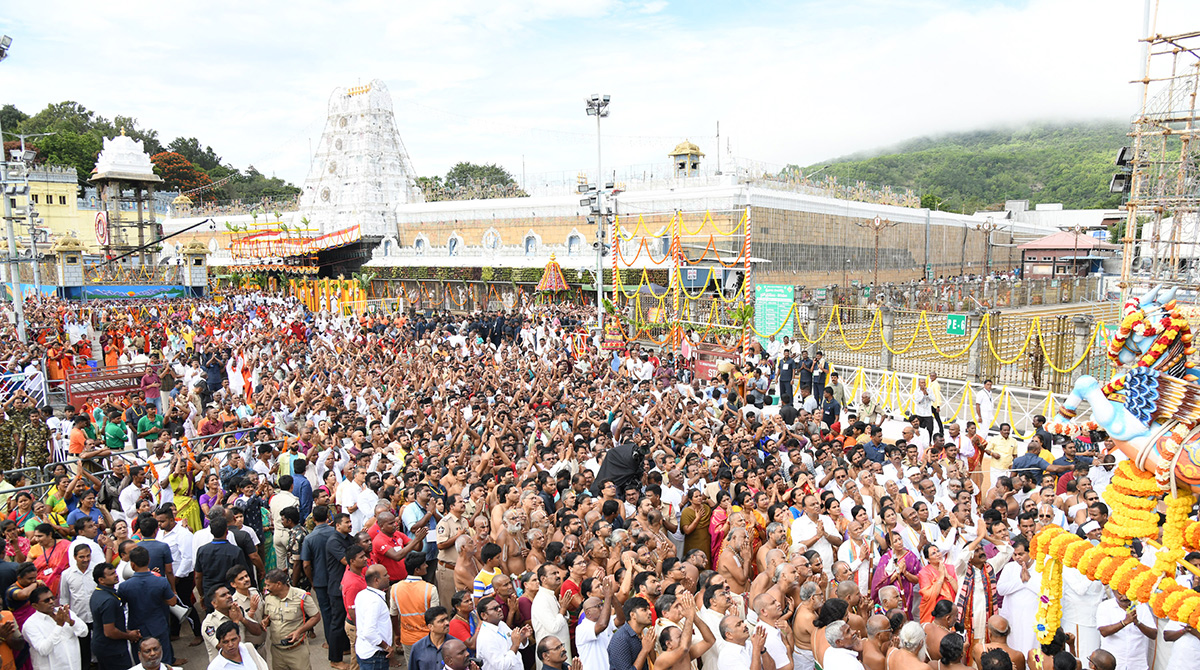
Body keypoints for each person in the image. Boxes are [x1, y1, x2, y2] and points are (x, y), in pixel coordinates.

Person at [119, 546, 180, 666]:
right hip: (158, 625)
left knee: (142, 661)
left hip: (136, 628)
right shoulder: (161, 581)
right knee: (163, 659)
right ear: (148, 561)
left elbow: (121, 607)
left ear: (132, 565)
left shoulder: (124, 586)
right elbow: (172, 602)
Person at [262, 569, 320, 670]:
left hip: (297, 651)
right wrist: (265, 622)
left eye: (268, 585)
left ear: (279, 584)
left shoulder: (301, 596)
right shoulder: (268, 598)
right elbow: (266, 616)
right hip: (277, 651)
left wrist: (299, 631)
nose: (266, 588)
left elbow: (316, 617)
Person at [22, 583, 89, 670]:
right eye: (46, 600)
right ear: (35, 606)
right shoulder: (30, 624)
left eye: (52, 598)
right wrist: (59, 626)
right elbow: (44, 650)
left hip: (73, 666)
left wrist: (71, 622)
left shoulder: (65, 612)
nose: (51, 602)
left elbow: (84, 632)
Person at [391, 554, 440, 666]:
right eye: (424, 564)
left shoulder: (395, 588)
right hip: (427, 638)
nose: (427, 566)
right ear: (417, 570)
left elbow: (393, 614)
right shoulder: (430, 589)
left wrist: (397, 634)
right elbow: (435, 616)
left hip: (407, 637)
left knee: (411, 665)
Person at [92, 562, 140, 670]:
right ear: (101, 580)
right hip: (112, 650)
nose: (115, 575)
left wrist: (127, 631)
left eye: (114, 572)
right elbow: (109, 631)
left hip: (104, 647)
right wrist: (129, 636)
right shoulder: (108, 601)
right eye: (111, 574)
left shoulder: (98, 593)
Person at [1097, 592, 1156, 670]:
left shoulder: (1141, 606)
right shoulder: (1105, 606)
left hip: (1137, 664)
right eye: (1120, 594)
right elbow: (1103, 632)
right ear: (1113, 591)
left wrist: (1137, 623)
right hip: (1113, 664)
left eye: (1127, 593)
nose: (1124, 597)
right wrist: (1124, 622)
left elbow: (1153, 634)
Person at [353, 565, 393, 670]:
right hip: (375, 655)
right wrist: (387, 647)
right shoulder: (375, 601)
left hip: (365, 650)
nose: (388, 576)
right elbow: (369, 632)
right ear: (376, 580)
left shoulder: (362, 594)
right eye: (385, 575)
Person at [531, 564, 571, 669]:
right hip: (550, 658)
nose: (558, 576)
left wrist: (563, 610)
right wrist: (562, 609)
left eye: (558, 572)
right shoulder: (541, 599)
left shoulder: (550, 595)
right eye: (554, 573)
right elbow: (553, 627)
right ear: (543, 579)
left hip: (560, 653)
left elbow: (561, 619)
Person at [476, 596, 529, 670]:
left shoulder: (501, 624)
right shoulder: (486, 637)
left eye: (499, 606)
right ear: (484, 615)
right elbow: (501, 666)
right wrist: (515, 645)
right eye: (495, 609)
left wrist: (522, 637)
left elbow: (519, 645)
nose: (500, 609)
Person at [608, 597, 656, 670]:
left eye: (649, 609)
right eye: (644, 610)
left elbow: (655, 664)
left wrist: (650, 648)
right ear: (633, 615)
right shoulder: (621, 639)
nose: (650, 612)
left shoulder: (644, 633)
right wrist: (645, 650)